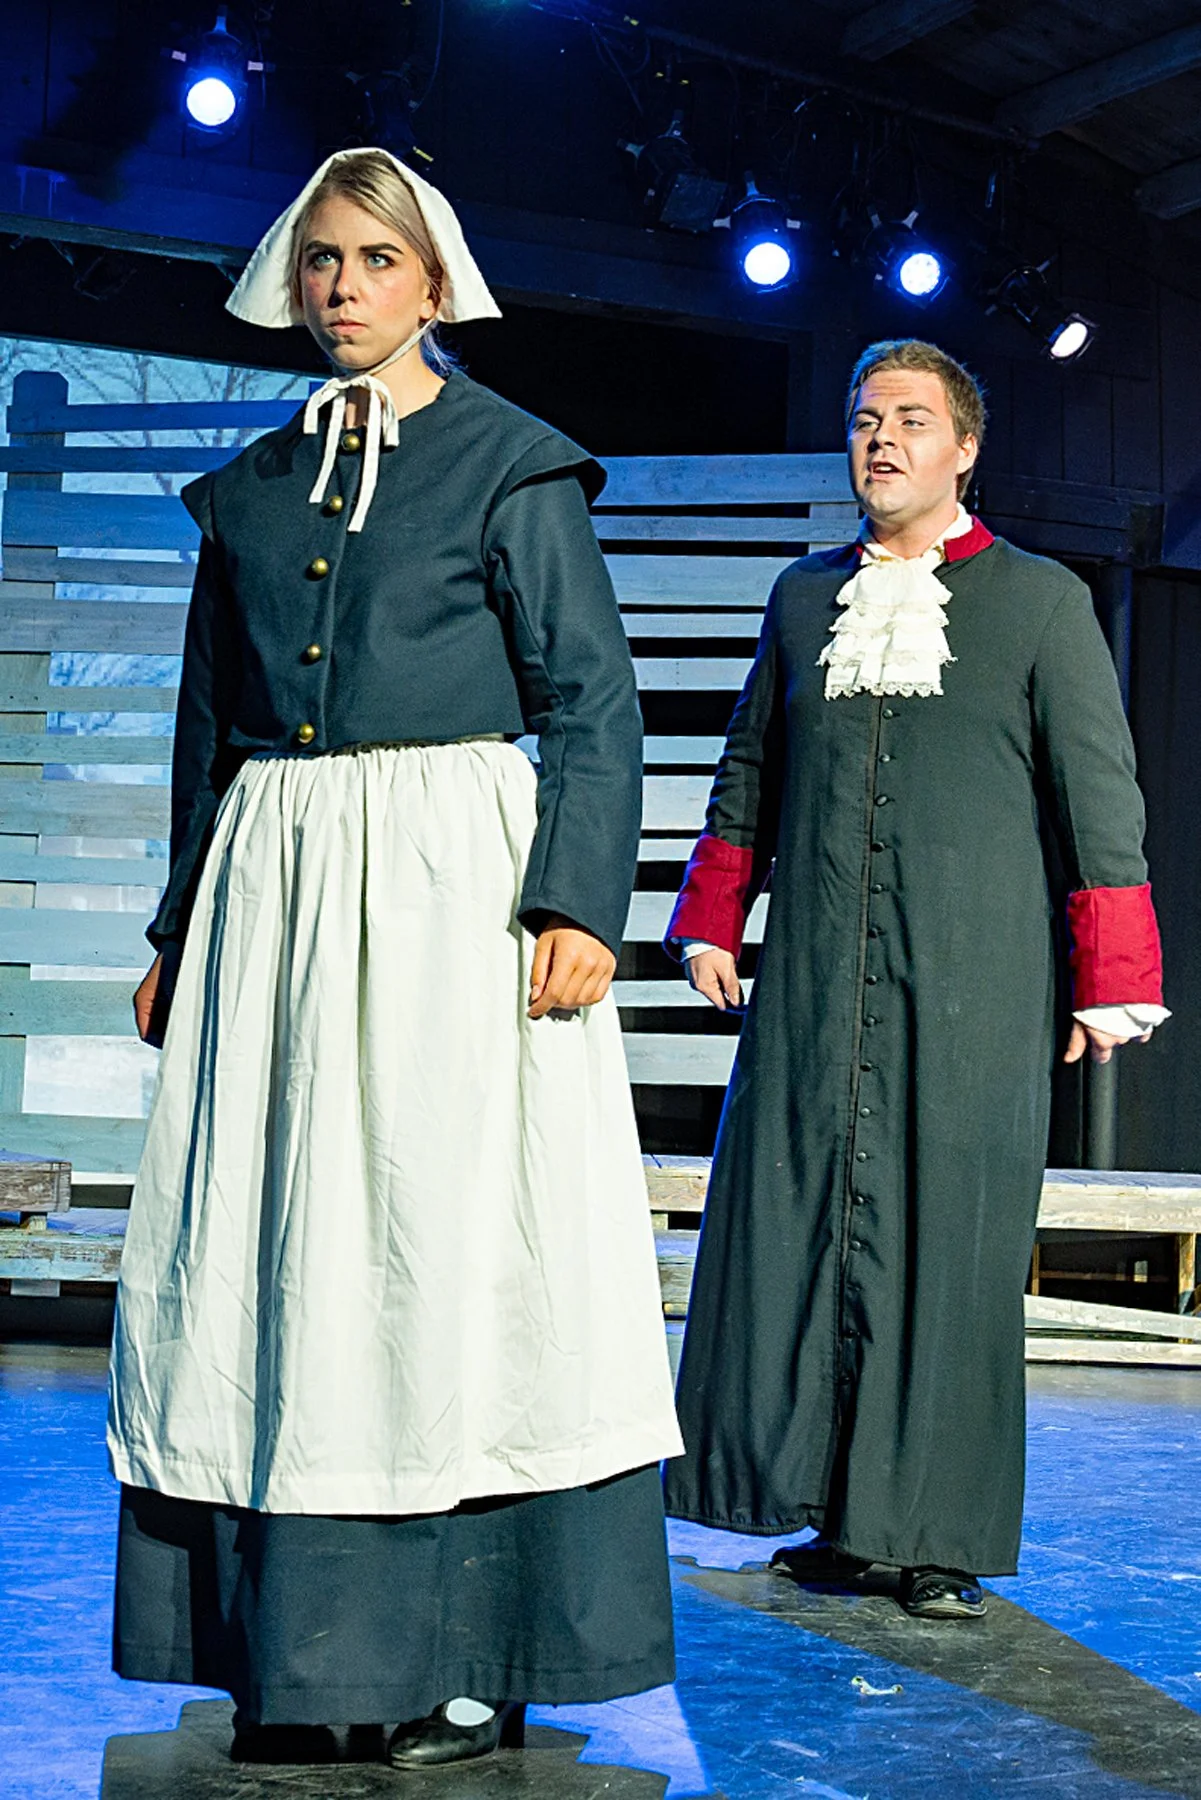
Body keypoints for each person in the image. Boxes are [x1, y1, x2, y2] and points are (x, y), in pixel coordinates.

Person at [107, 147, 682, 1767]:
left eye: (375, 258)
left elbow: (591, 699)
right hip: (280, 905)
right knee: (288, 1254)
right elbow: (210, 733)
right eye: (323, 261)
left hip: (451, 900)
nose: (345, 285)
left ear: (435, 280)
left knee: (443, 1254)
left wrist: (575, 901)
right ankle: (298, 1650)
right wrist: (179, 929)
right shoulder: (255, 487)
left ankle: (468, 1651)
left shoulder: (509, 463)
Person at [662, 338, 1166, 1620]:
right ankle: (832, 1515)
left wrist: (1106, 981)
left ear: (964, 447)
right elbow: (749, 777)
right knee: (796, 1230)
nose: (880, 439)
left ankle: (930, 1535)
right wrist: (712, 918)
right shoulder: (798, 598)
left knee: (946, 1248)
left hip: (977, 977)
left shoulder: (1041, 601)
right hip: (821, 972)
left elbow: (1097, 803)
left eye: (910, 420)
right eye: (863, 418)